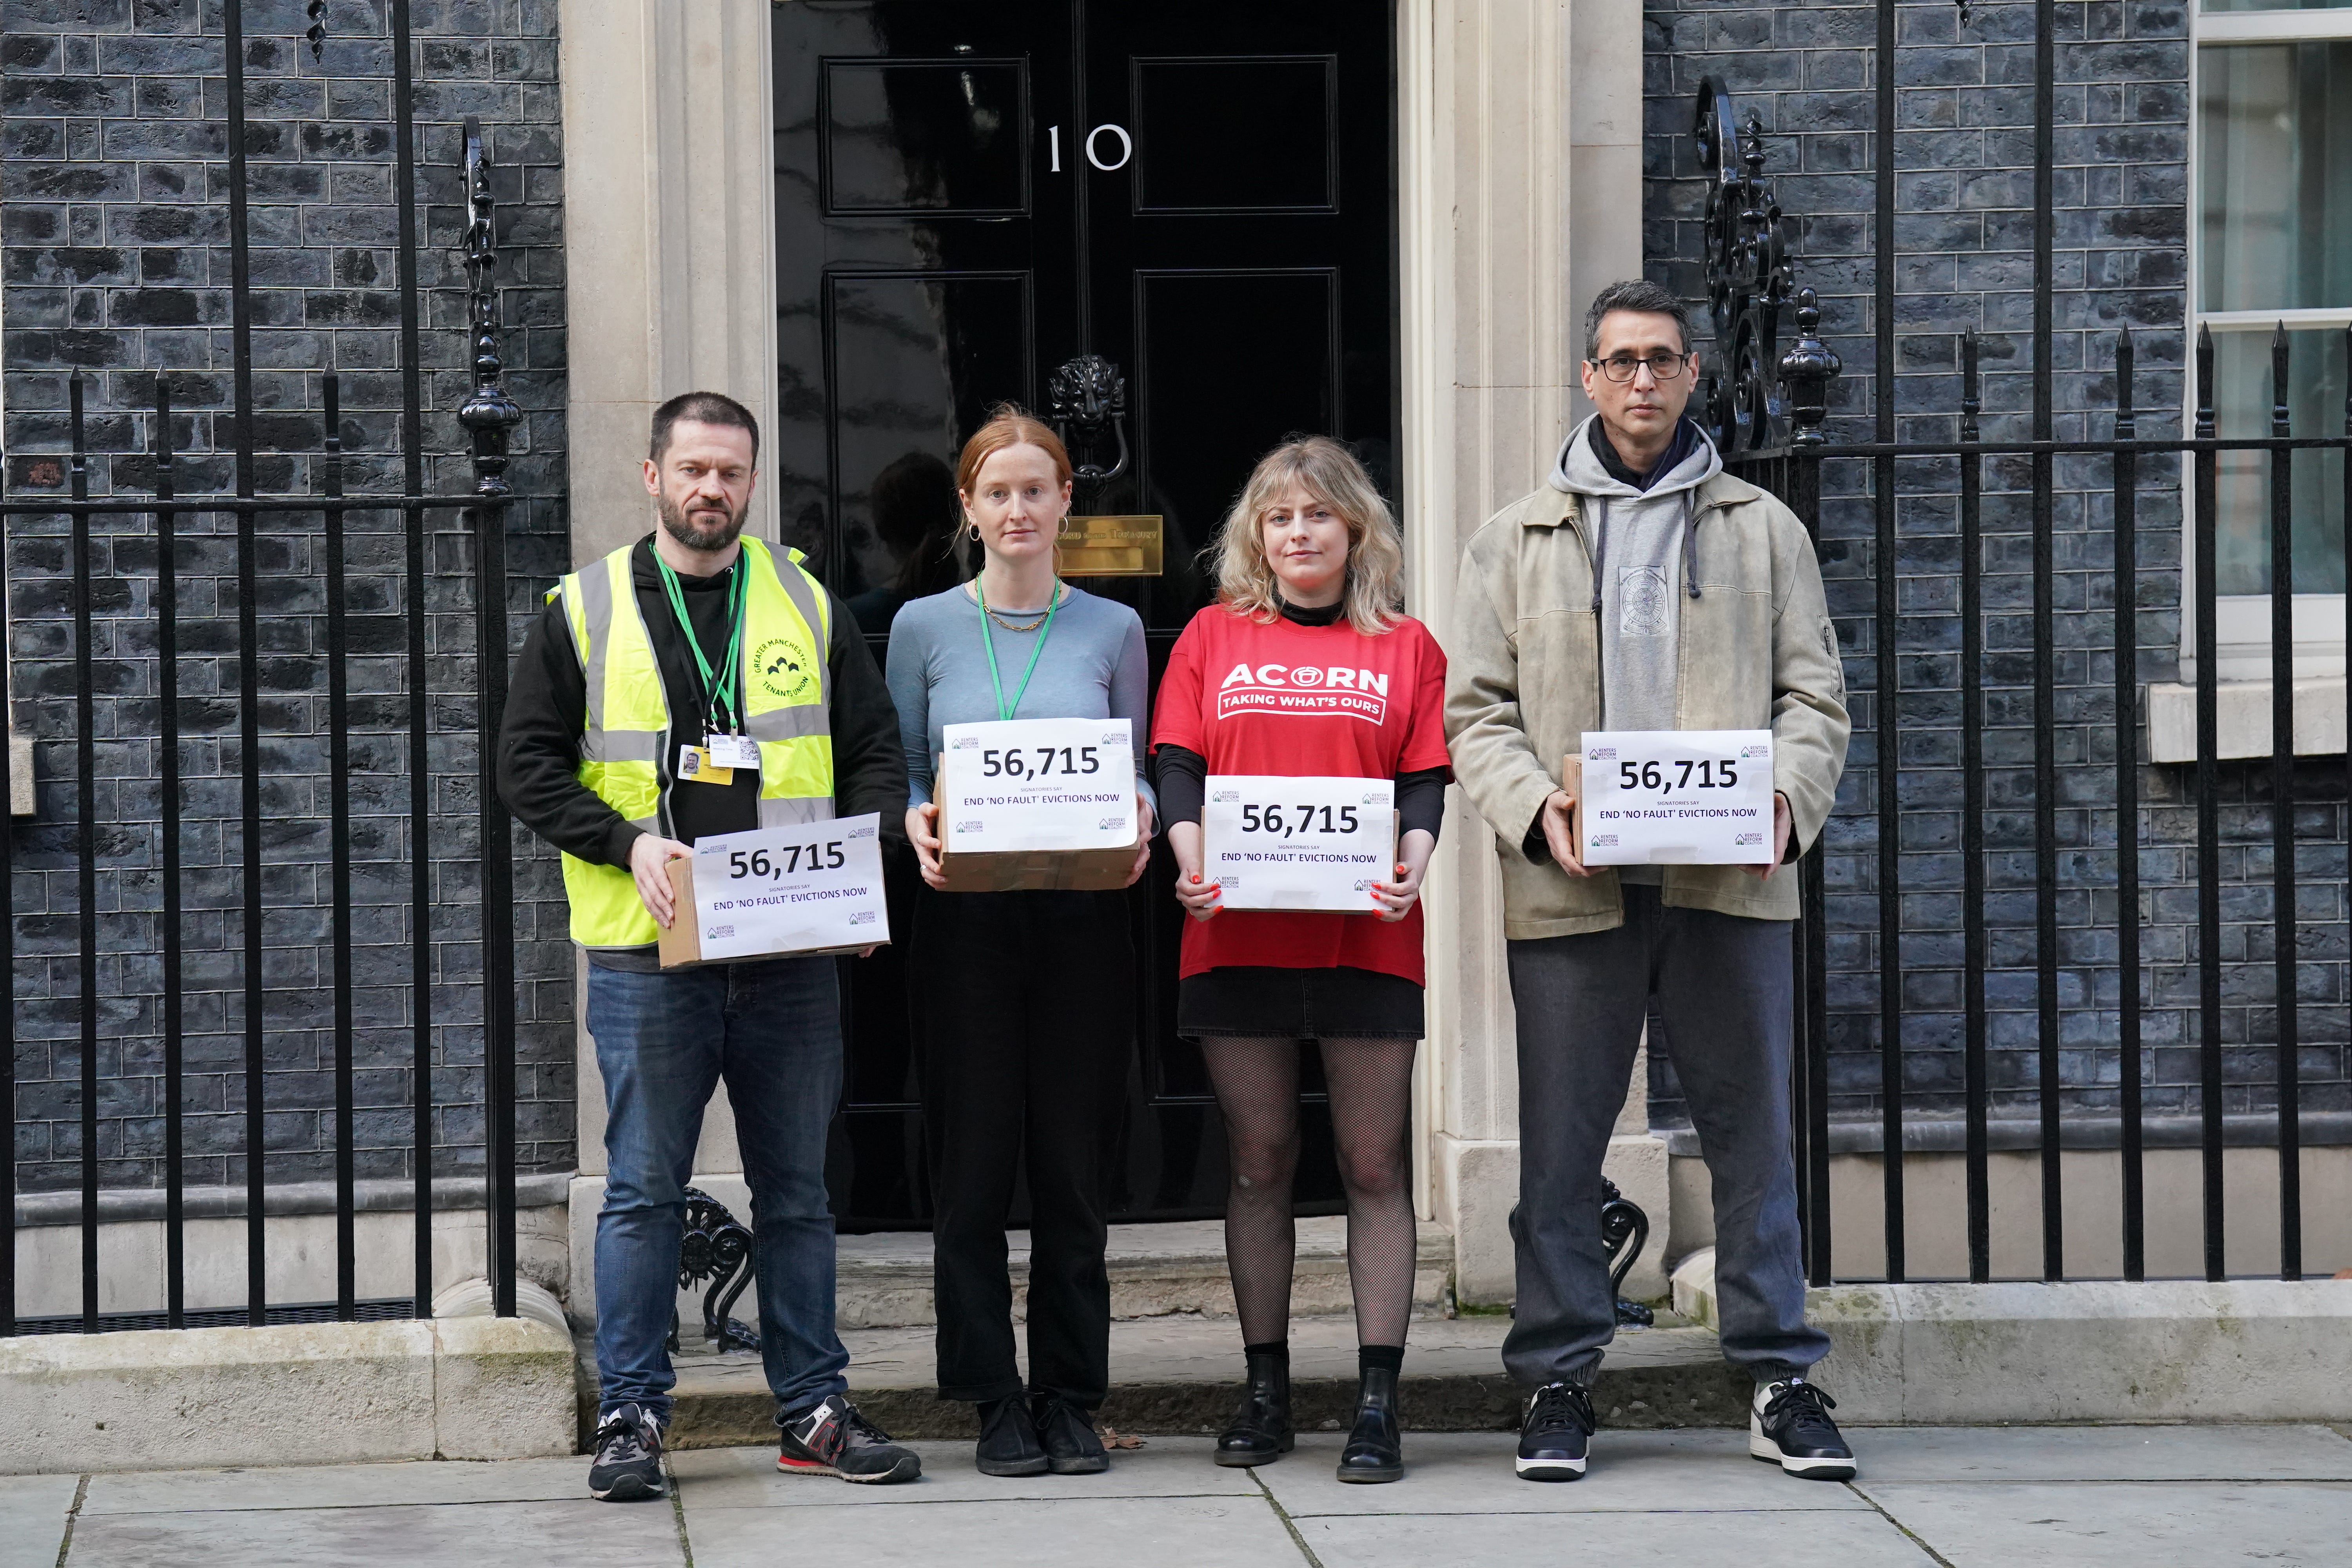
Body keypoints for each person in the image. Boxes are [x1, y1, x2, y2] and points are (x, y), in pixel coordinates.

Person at [1443, 278, 1855, 1482]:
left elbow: (1816, 700)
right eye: (1618, 361)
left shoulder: (1764, 530)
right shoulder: (1511, 539)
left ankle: (1780, 1374)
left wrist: (1784, 804)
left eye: (1660, 361)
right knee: (1562, 1147)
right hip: (1572, 884)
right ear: (1588, 378)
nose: (1639, 381)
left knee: (1752, 1135)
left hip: (1729, 882)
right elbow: (1477, 715)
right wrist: (1536, 808)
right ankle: (1560, 1383)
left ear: (1691, 375)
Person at [499, 390, 922, 1499]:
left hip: (788, 948)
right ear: (653, 477)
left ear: (751, 482)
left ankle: (813, 1410)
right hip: (650, 948)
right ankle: (633, 1415)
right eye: (691, 470)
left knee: (798, 1193)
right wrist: (623, 838)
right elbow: (526, 765)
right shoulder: (584, 609)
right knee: (641, 1190)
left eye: (730, 473)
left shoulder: (804, 600)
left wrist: (865, 872)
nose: (711, 491)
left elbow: (875, 753)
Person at [1150, 436, 1450, 1485]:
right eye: (1279, 518)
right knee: (1259, 1162)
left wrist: (1415, 863)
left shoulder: (1407, 647)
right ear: (1256, 536)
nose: (1299, 533)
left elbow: (1425, 782)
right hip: (1237, 929)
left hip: (1369, 930)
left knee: (1373, 1164)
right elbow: (1177, 766)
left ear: (1355, 529)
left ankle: (1377, 1400)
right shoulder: (1210, 636)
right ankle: (1265, 1387)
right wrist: (1187, 860)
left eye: (1318, 515)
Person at [891, 407, 1155, 1477]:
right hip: (964, 921)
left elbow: (1133, 761)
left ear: (1065, 504)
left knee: (1070, 1166)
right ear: (968, 506)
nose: (1017, 509)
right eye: (996, 492)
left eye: (1035, 490)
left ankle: (1069, 1396)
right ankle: (992, 1396)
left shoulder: (1114, 630)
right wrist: (909, 818)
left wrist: (1138, 809)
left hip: (1082, 919)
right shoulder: (920, 629)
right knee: (974, 1162)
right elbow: (908, 769)